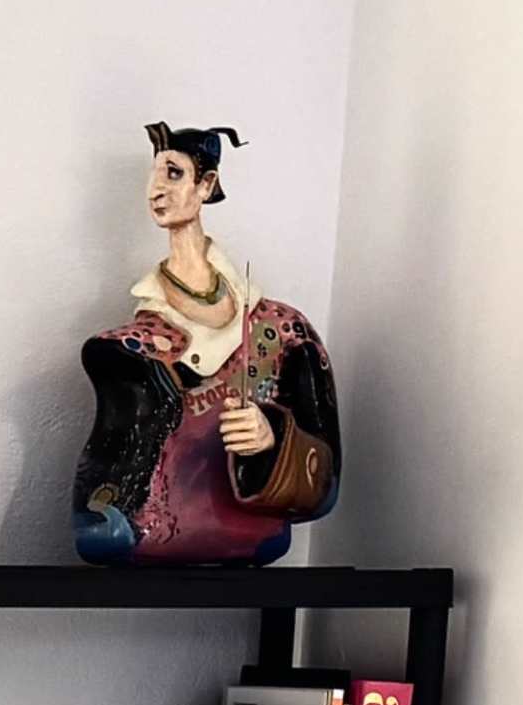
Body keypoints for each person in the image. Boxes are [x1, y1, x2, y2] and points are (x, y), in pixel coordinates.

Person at [72, 122, 341, 563]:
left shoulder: (285, 332)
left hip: (254, 537)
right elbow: (95, 513)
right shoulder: (123, 350)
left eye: (173, 173)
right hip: (143, 537)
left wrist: (272, 436)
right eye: (153, 175)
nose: (156, 190)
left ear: (207, 184)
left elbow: (328, 481)